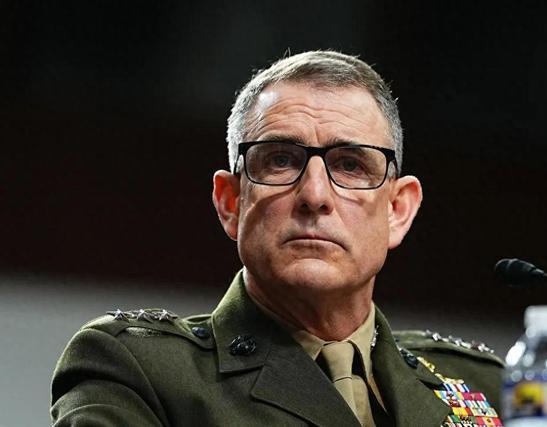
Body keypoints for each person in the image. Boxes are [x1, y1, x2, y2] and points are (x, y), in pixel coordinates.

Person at [51, 51, 504, 427]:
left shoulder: (483, 385)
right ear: (231, 202)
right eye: (281, 161)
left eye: (350, 165)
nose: (314, 195)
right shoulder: (141, 370)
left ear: (398, 210)